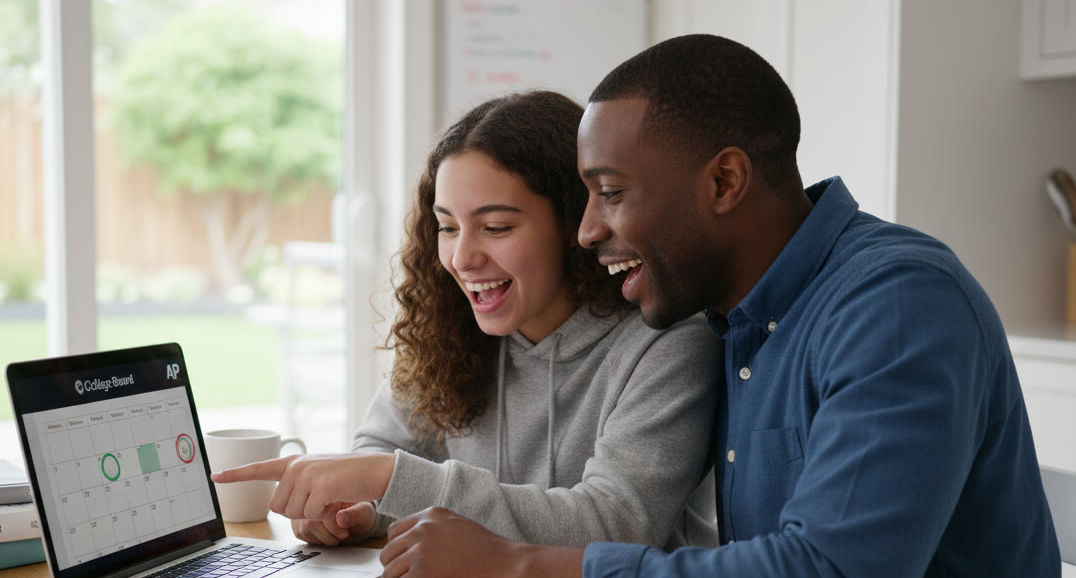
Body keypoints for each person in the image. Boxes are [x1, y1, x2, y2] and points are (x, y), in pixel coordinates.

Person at [370, 36, 1076, 578]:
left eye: (611, 193)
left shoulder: (897, 304)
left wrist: (518, 568)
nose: (586, 231)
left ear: (724, 181)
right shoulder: (734, 322)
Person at [214, 89, 721, 553]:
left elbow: (617, 525)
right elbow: (383, 447)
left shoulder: (669, 342)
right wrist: (358, 509)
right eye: (447, 227)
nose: (461, 257)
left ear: (575, 225)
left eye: (496, 227)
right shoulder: (451, 330)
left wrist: (387, 478)